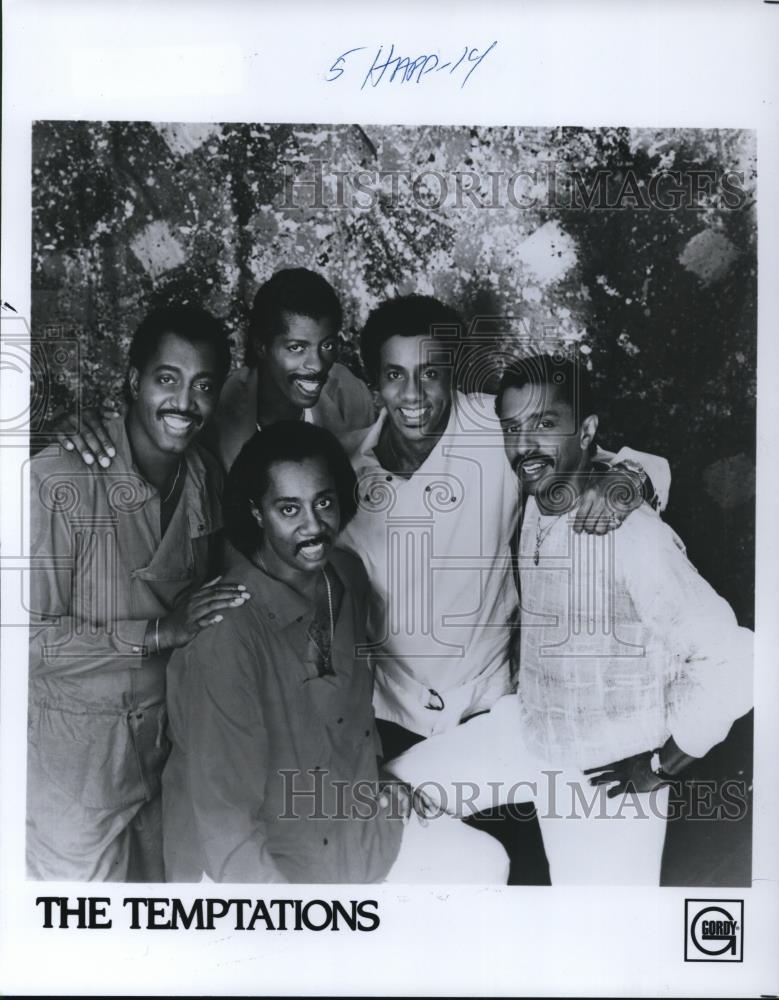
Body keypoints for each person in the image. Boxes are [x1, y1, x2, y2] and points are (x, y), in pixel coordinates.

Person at [388, 354, 753, 884]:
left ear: (585, 430)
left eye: (543, 424)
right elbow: (641, 465)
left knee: (601, 950)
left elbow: (737, 660)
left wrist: (659, 766)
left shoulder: (631, 535)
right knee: (385, 797)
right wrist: (629, 475)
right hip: (528, 730)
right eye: (513, 428)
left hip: (605, 773)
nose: (524, 446)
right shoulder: (544, 493)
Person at [162, 423, 508, 884]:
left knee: (482, 862)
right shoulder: (226, 636)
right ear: (257, 513)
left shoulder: (346, 578)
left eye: (323, 502)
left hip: (354, 831)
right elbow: (225, 822)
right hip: (254, 865)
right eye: (289, 508)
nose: (313, 526)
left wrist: (375, 780)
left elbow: (348, 723)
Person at [338, 295, 670, 755]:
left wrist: (626, 479)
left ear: (452, 374)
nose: (413, 394)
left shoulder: (496, 424)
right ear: (375, 382)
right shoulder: (339, 469)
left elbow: (631, 462)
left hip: (491, 712)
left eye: (430, 373)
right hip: (385, 716)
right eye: (395, 375)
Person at [27, 305, 250, 881]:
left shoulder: (204, 477)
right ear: (132, 381)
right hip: (74, 764)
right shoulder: (59, 480)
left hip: (165, 754)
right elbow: (29, 643)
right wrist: (156, 632)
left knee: (159, 943)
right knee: (78, 947)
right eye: (167, 379)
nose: (184, 403)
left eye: (203, 386)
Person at [53, 268, 376, 472]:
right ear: (261, 346)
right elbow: (140, 428)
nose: (317, 365)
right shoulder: (213, 404)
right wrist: (69, 425)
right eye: (296, 348)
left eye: (328, 346)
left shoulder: (349, 393)